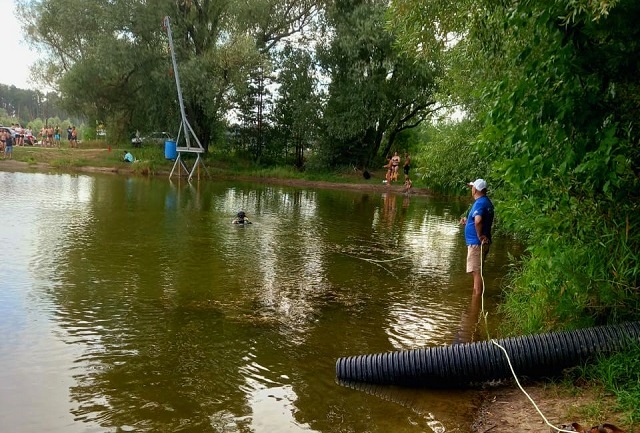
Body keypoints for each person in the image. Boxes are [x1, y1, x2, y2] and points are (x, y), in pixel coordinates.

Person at [459, 178, 494, 295]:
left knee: (476, 272)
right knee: (477, 271)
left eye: (472, 187)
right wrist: (468, 221)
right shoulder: (486, 202)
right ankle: (476, 298)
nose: (471, 189)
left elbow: (478, 221)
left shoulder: (479, 203)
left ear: (476, 190)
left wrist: (479, 235)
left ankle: (476, 300)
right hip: (480, 243)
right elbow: (478, 220)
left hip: (476, 243)